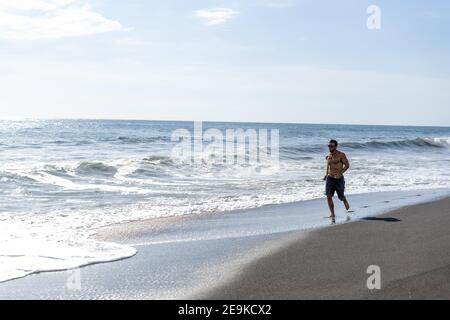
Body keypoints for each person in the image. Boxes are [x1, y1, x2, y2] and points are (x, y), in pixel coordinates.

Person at [323, 139, 350, 218]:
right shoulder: (328, 156)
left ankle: (344, 200)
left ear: (335, 146)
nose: (329, 147)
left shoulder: (341, 155)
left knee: (340, 197)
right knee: (328, 196)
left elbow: (347, 165)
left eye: (331, 146)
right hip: (330, 179)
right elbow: (328, 167)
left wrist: (341, 172)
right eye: (329, 146)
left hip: (339, 179)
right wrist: (325, 175)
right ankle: (332, 213)